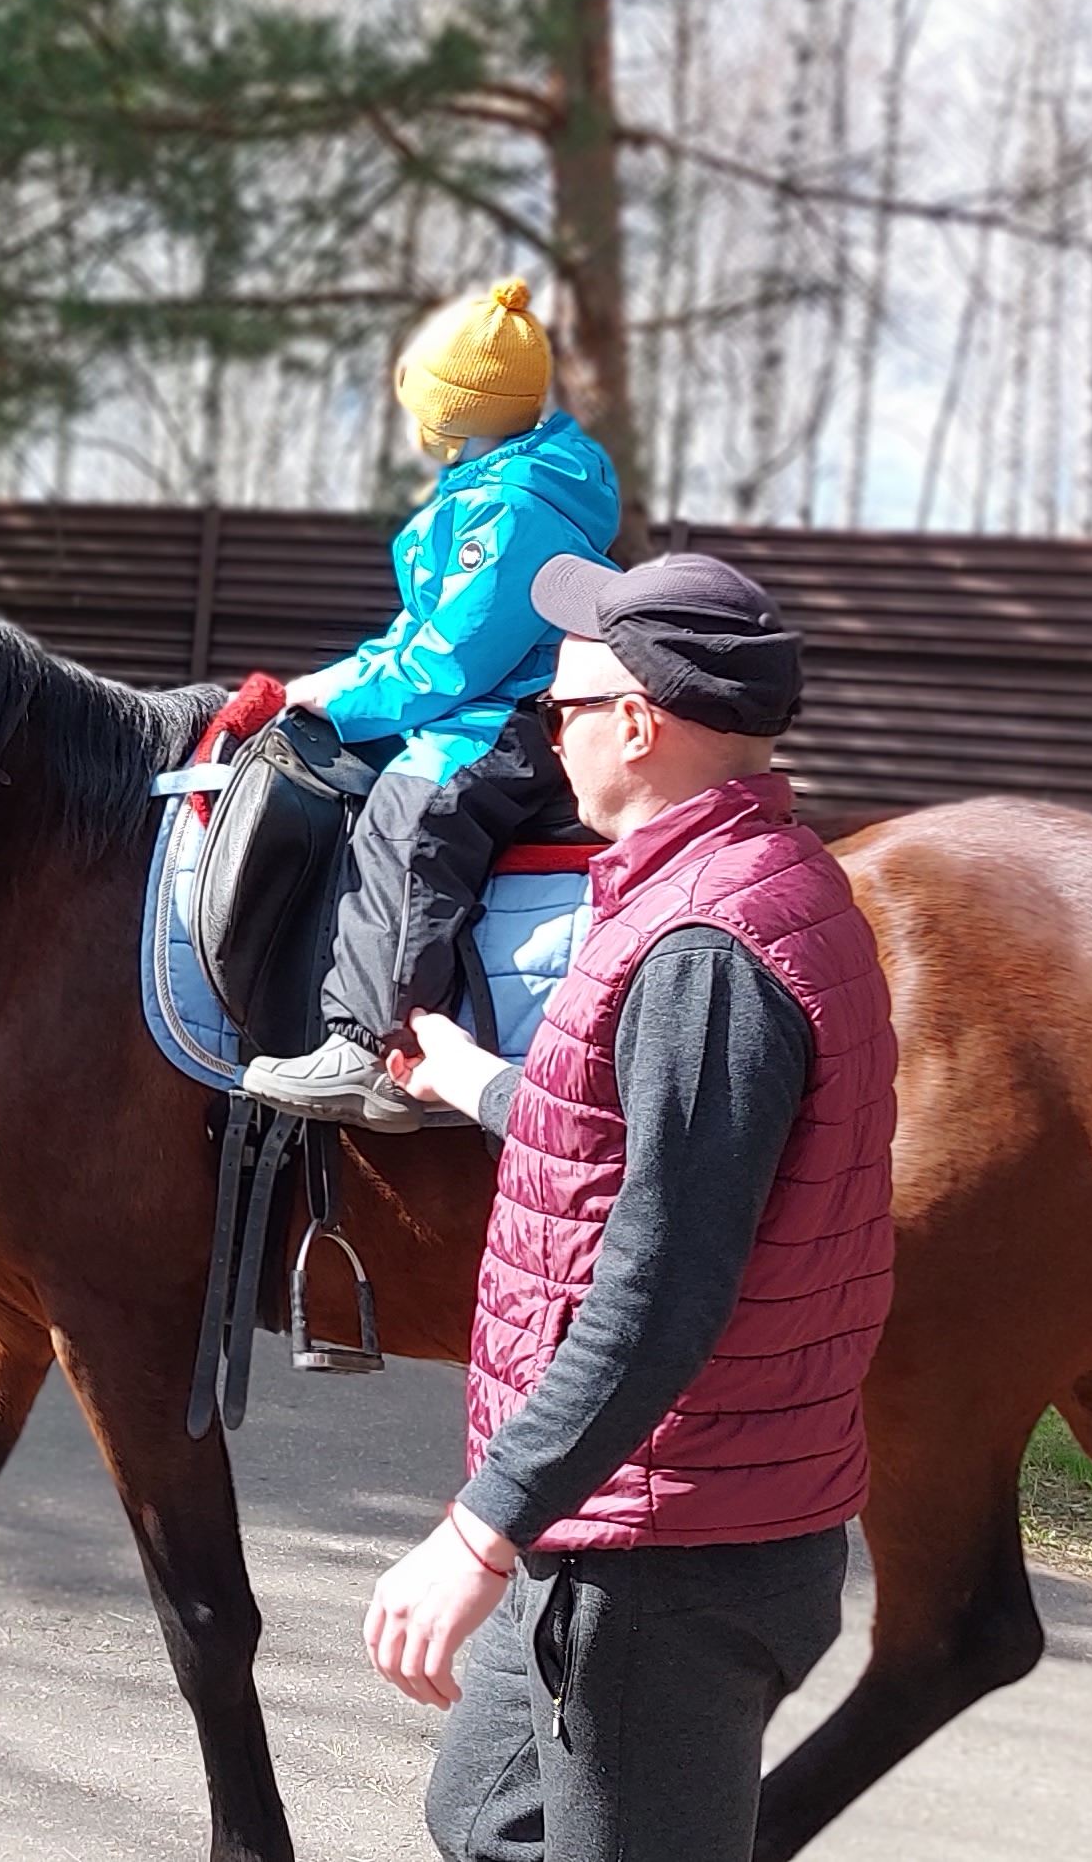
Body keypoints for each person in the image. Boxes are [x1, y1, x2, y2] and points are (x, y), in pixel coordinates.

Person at [356, 551, 898, 1862]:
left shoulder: (707, 948)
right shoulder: (714, 891)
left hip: (669, 1553)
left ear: (637, 725)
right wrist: (490, 1084)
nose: (550, 734)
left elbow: (661, 1286)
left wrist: (478, 1530)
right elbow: (643, 1144)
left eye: (558, 711)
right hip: (625, 1515)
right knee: (485, 1815)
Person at [239, 278, 623, 1131]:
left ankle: (377, 1050)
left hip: (508, 718)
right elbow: (409, 637)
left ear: (458, 414)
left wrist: (356, 700)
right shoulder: (488, 493)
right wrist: (329, 685)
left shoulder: (513, 513)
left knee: (411, 815)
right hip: (477, 697)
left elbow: (452, 662)